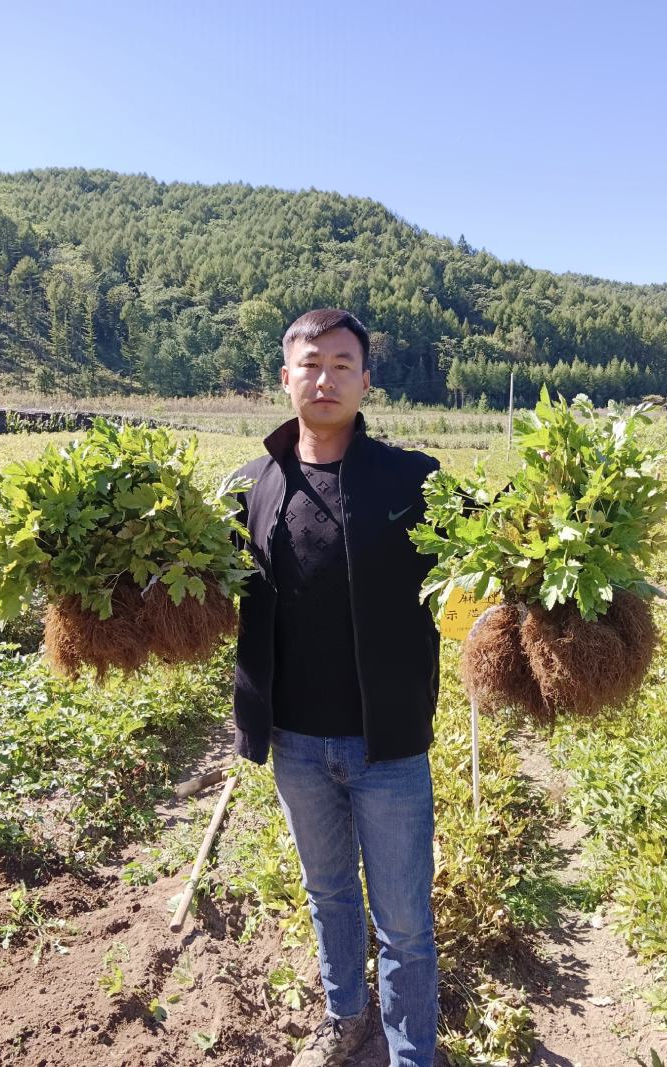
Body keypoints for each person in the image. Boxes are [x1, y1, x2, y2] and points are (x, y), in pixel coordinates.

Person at [229, 308, 441, 1067]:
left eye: (342, 363)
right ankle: (345, 1016)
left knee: (406, 919)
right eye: (310, 363)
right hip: (294, 740)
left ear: (365, 380)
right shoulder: (251, 486)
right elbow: (198, 582)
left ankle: (415, 1049)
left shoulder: (412, 480)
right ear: (285, 376)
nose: (324, 377)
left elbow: (498, 543)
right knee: (329, 897)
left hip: (388, 742)